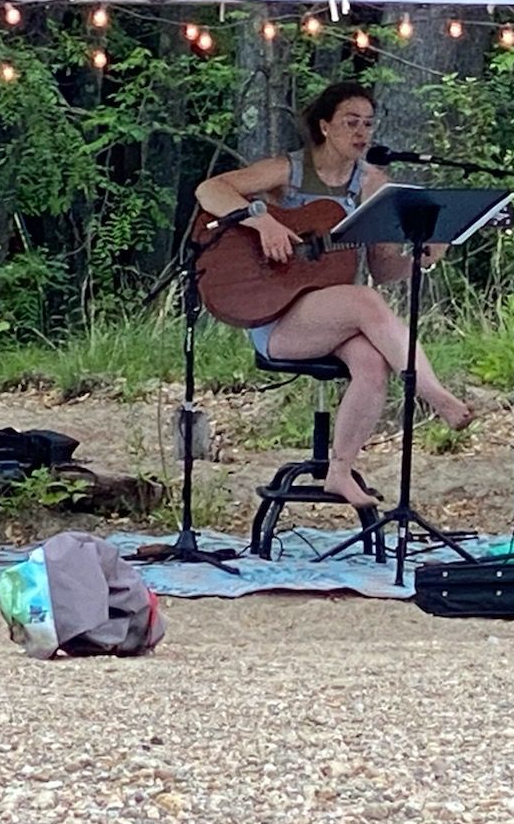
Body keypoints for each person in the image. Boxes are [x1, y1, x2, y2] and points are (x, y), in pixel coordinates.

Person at [193, 80, 474, 509]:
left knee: (371, 360)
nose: (361, 133)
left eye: (368, 124)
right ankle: (433, 394)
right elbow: (208, 190)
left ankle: (339, 471)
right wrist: (261, 221)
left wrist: (422, 258)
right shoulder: (289, 170)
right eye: (350, 123)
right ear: (325, 126)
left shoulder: (373, 184)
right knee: (364, 301)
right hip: (275, 313)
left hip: (332, 315)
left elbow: (382, 268)